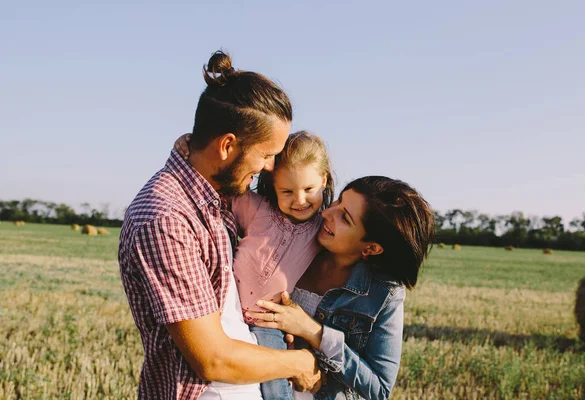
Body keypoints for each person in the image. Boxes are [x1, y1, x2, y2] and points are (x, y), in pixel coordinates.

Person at [118, 50, 321, 400]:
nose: (271, 167)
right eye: (265, 153)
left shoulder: (214, 194)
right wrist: (300, 363)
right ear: (227, 145)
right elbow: (213, 360)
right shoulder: (165, 219)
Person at [176, 129, 334, 399]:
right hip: (228, 311)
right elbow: (217, 188)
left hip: (268, 323)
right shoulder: (258, 209)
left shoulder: (322, 229)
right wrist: (192, 144)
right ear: (273, 186)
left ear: (324, 180)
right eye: (287, 191)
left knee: (275, 386)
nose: (299, 200)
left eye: (309, 189)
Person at [248, 176, 436, 399]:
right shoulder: (291, 241)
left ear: (372, 248)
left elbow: (379, 389)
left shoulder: (384, 294)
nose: (327, 213)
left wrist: (312, 331)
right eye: (338, 201)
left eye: (344, 218)